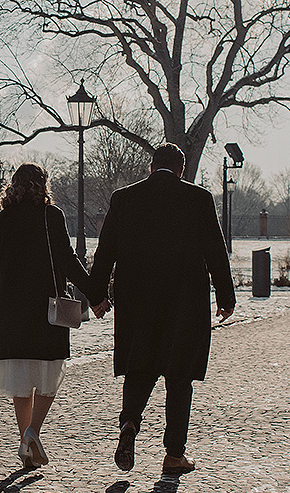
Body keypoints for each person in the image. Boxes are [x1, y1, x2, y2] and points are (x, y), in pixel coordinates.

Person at [87, 143, 236, 476]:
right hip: (184, 302)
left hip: (136, 301)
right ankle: (174, 455)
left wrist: (96, 295)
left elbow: (105, 251)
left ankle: (129, 425)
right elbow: (215, 251)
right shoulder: (199, 199)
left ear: (151, 167)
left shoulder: (123, 198)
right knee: (179, 376)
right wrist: (226, 297)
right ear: (181, 170)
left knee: (139, 366)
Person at [0, 162, 101, 471]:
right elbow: (68, 262)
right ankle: (32, 433)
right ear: (42, 184)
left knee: (20, 383)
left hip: (8, 310)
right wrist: (95, 292)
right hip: (45, 309)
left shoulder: (0, 220)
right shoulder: (52, 217)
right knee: (49, 376)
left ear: (15, 185)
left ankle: (26, 442)